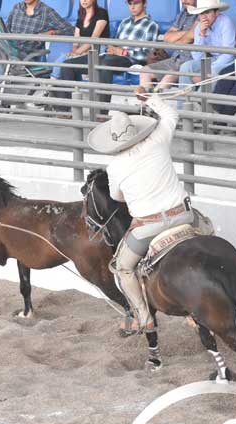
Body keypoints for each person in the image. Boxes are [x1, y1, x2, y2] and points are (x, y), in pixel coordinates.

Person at [87, 92, 196, 334]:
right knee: (207, 228)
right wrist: (151, 99)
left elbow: (117, 197)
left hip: (149, 227)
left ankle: (143, 316)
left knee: (122, 268)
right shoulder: (158, 139)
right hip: (183, 215)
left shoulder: (114, 166)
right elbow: (171, 114)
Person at [0, 0, 73, 110]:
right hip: (11, 51)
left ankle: (2, 99)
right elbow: (7, 30)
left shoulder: (46, 11)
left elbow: (69, 29)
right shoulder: (17, 8)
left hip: (30, 54)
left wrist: (50, 33)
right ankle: (2, 99)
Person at [96, 0, 158, 114]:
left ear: (145, 4)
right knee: (84, 62)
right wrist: (111, 48)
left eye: (136, 3)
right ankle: (65, 110)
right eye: (130, 4)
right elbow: (115, 44)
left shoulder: (151, 25)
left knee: (104, 64)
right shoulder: (124, 22)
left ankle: (101, 112)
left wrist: (124, 52)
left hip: (131, 60)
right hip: (114, 57)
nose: (132, 7)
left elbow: (146, 54)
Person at [50, 0, 109, 113]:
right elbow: (76, 40)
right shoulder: (81, 14)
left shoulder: (102, 13)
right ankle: (53, 86)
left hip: (97, 50)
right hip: (82, 50)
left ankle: (50, 86)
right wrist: (75, 51)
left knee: (65, 61)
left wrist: (77, 53)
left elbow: (94, 39)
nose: (84, 0)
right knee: (64, 58)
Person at [138, 0, 196, 92]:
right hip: (175, 59)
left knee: (168, 77)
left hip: (189, 62)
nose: (184, 1)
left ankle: (153, 103)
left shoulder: (202, 14)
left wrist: (177, 37)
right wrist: (188, 32)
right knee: (144, 71)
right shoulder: (183, 12)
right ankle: (147, 104)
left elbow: (187, 39)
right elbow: (167, 37)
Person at [177, 0, 235, 92]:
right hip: (214, 60)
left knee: (213, 71)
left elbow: (228, 54)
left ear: (217, 12)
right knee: (186, 66)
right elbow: (197, 57)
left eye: (207, 12)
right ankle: (182, 104)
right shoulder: (199, 27)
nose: (203, 17)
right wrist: (202, 34)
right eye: (201, 13)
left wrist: (205, 73)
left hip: (229, 62)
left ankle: (199, 102)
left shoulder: (225, 22)